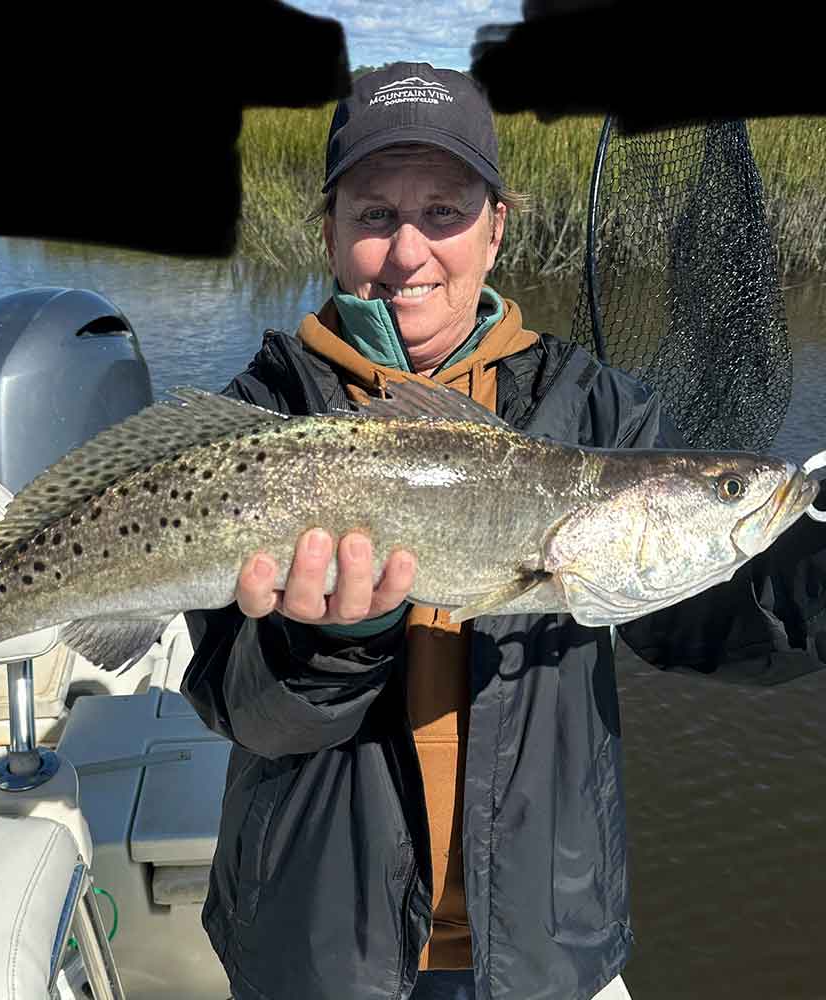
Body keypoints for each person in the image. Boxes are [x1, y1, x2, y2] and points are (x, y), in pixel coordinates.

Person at [181, 63, 826, 1000]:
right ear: (326, 230)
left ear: (496, 226)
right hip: (317, 956)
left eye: (443, 211)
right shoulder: (256, 423)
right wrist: (334, 642)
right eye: (373, 216)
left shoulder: (599, 412)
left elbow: (707, 622)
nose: (408, 255)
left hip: (544, 947)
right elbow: (246, 714)